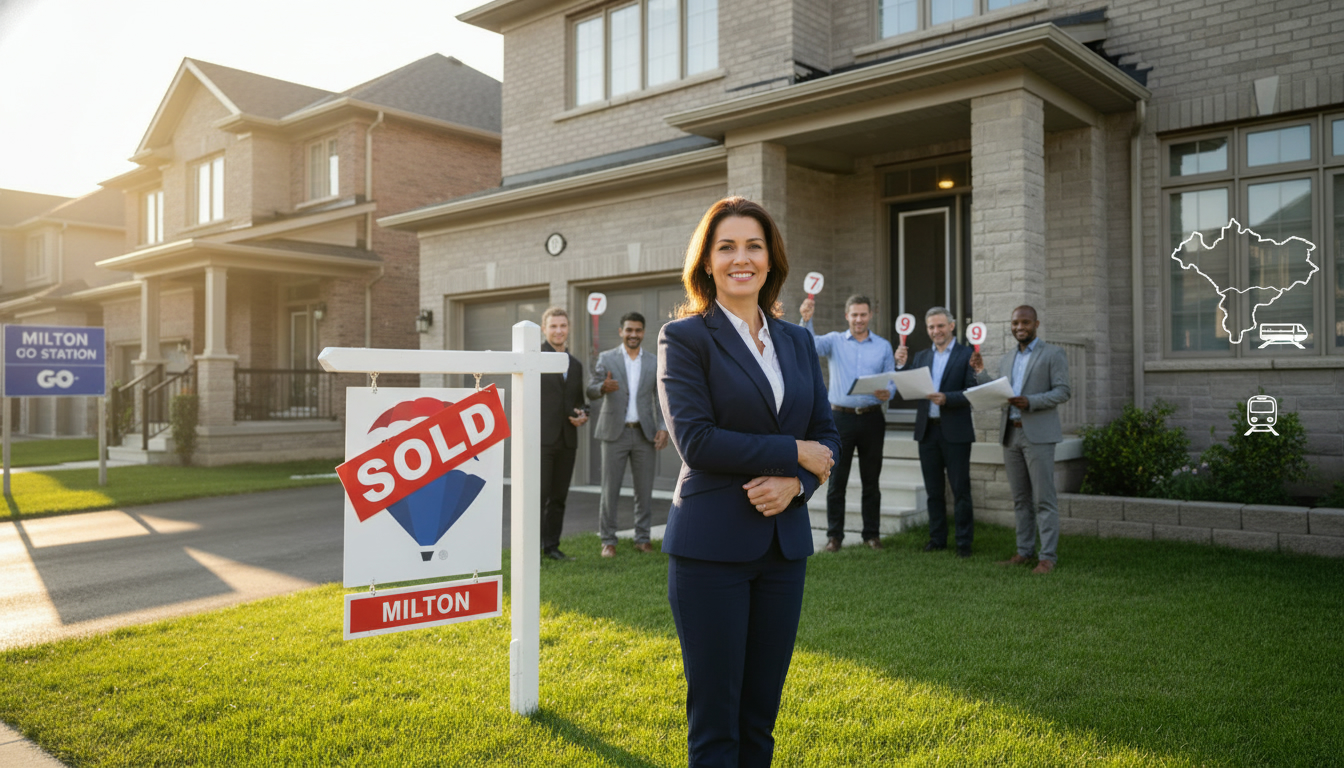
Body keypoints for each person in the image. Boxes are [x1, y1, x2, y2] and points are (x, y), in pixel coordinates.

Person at [658, 196, 840, 768]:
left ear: (771, 259)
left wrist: (797, 486)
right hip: (710, 550)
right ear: (707, 263)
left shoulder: (797, 341)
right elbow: (699, 441)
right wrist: (792, 453)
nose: (742, 258)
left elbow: (827, 437)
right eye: (727, 247)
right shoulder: (685, 338)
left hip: (783, 550)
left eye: (754, 246)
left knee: (760, 719)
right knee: (717, 726)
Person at [969, 305, 1071, 575]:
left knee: (1044, 499)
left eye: (1025, 322)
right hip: (1010, 433)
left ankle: (1047, 556)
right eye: (1015, 323)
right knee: (1021, 499)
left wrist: (1032, 402)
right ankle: (1024, 551)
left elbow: (1063, 391)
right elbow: (1001, 392)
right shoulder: (1008, 358)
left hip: (1038, 434)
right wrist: (981, 373)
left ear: (1036, 323)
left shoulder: (1052, 354)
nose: (1019, 327)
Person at [799, 293, 895, 551]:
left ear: (870, 315)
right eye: (854, 315)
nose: (859, 319)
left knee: (871, 481)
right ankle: (834, 537)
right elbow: (809, 346)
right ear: (847, 316)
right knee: (836, 480)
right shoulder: (834, 341)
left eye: (863, 314)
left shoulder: (883, 346)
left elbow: (891, 380)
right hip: (839, 419)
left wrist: (889, 393)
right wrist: (806, 320)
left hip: (873, 418)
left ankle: (871, 535)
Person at [894, 307, 978, 557]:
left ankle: (964, 543)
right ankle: (937, 538)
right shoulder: (920, 357)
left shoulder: (967, 355)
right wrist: (900, 367)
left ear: (952, 326)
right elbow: (907, 388)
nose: (935, 331)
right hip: (927, 432)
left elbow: (973, 391)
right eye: (931, 327)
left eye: (940, 326)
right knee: (933, 491)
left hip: (956, 432)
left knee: (961, 490)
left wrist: (947, 398)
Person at [587, 311, 669, 557]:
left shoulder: (654, 361)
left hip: (645, 433)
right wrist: (602, 387)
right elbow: (590, 390)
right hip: (614, 433)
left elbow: (661, 399)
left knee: (644, 490)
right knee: (609, 490)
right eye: (629, 330)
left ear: (643, 332)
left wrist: (663, 427)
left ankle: (642, 538)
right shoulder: (606, 358)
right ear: (621, 332)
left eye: (638, 330)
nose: (633, 334)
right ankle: (608, 540)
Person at [539, 307, 588, 561]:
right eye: (553, 326)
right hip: (541, 440)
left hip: (568, 440)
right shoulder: (534, 359)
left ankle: (552, 547)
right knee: (539, 497)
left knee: (559, 497)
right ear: (544, 329)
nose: (559, 331)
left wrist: (582, 414)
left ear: (568, 329)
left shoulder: (576, 365)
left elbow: (578, 400)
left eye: (563, 326)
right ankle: (532, 549)